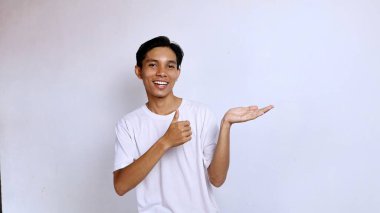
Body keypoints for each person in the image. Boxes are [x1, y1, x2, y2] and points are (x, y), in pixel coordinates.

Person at [113, 36, 273, 213]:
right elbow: (121, 186)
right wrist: (165, 142)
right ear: (138, 71)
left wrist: (226, 125)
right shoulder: (128, 124)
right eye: (153, 65)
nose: (162, 72)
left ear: (178, 73)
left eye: (170, 66)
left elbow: (217, 179)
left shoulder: (200, 114)